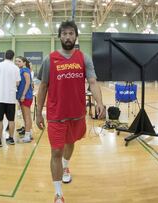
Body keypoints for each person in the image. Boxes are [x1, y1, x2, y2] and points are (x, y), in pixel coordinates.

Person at [36, 20, 105, 203]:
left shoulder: (84, 58)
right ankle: (58, 194)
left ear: (76, 36)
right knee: (56, 152)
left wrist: (100, 102)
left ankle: (66, 166)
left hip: (77, 114)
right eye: (64, 33)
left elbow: (92, 82)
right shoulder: (49, 59)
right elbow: (42, 87)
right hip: (56, 116)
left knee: (71, 142)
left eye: (71, 33)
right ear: (59, 36)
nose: (68, 36)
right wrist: (37, 113)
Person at [0, 50, 21, 147]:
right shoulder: (16, 68)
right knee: (11, 120)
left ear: (4, 56)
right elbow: (17, 83)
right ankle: (11, 139)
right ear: (13, 57)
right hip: (11, 98)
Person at [15, 56, 33, 143]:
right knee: (26, 116)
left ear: (24, 62)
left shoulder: (25, 70)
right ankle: (29, 133)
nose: (17, 63)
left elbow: (28, 83)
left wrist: (23, 95)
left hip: (26, 97)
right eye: (16, 61)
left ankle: (27, 136)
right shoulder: (21, 70)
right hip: (22, 96)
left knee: (27, 116)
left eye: (19, 61)